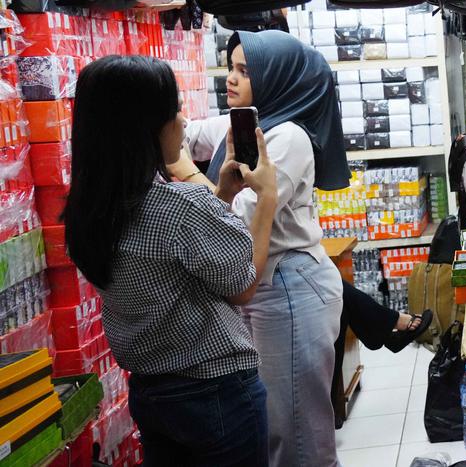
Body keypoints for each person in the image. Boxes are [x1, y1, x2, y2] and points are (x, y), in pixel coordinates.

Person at [166, 30, 421, 466]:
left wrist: (183, 168)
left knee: (297, 436)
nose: (230, 78)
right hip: (268, 285)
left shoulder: (288, 138)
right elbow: (188, 134)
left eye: (245, 71)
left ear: (276, 78)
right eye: (231, 67)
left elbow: (239, 220)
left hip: (288, 288)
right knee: (278, 429)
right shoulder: (247, 125)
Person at [64, 56, 277, 466]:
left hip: (152, 394)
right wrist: (266, 199)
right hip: (216, 392)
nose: (182, 122)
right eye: (173, 111)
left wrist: (224, 197)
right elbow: (243, 285)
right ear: (143, 128)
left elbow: (173, 263)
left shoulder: (90, 210)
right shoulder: (180, 205)